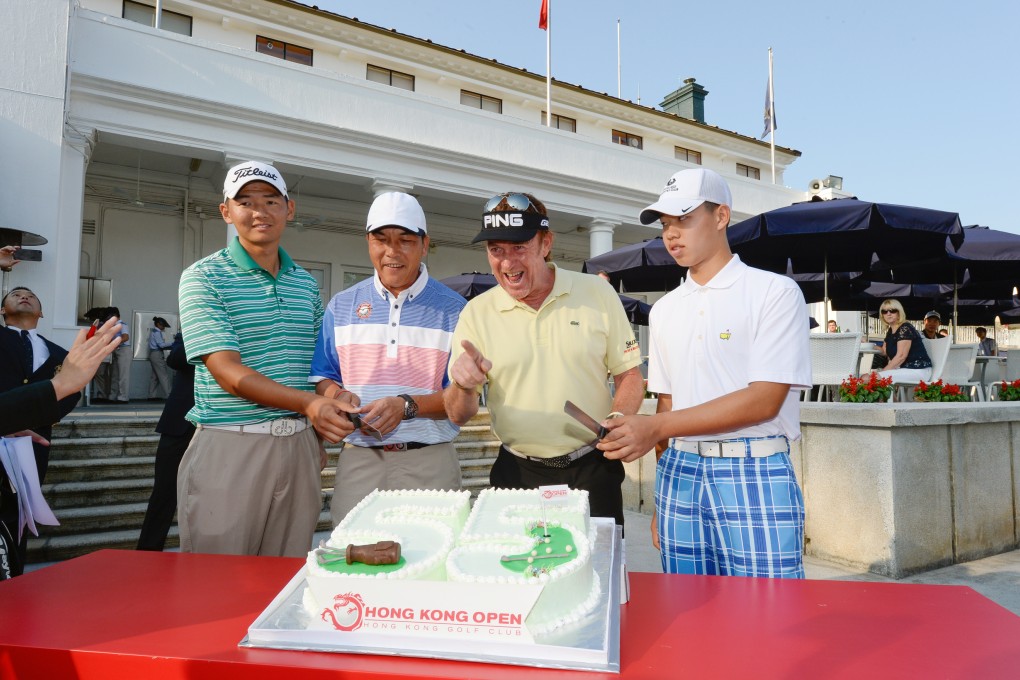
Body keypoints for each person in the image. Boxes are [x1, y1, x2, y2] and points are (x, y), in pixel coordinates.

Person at [595, 168, 812, 579]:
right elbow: (668, 399)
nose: (671, 234)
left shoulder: (773, 292)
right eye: (665, 225)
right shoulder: (664, 310)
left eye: (684, 219)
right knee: (686, 611)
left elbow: (765, 400)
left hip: (754, 466)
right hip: (681, 472)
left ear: (721, 216)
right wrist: (661, 499)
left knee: (769, 614)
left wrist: (656, 426)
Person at [177, 160, 352, 557]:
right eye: (246, 201)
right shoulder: (203, 277)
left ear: (290, 208)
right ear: (226, 211)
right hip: (231, 446)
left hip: (299, 448)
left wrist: (333, 397)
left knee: (284, 580)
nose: (260, 211)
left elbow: (316, 369)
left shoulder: (305, 284)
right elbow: (228, 373)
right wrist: (311, 404)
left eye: (271, 200)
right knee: (217, 585)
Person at [444, 191, 644, 527]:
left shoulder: (596, 293)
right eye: (496, 250)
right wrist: (464, 385)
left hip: (592, 469)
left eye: (519, 247)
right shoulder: (476, 313)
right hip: (515, 472)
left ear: (546, 243)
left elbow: (629, 375)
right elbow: (457, 414)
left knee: (596, 574)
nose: (507, 263)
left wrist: (617, 419)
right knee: (516, 574)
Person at [310, 192, 466, 524]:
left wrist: (406, 406)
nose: (391, 252)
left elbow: (460, 399)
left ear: (425, 245)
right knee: (352, 563)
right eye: (381, 239)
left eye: (405, 240)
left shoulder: (455, 310)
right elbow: (324, 376)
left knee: (431, 566)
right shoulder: (342, 305)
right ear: (368, 242)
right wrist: (338, 395)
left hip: (429, 462)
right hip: (360, 462)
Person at [0, 315, 124, 580]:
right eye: (16, 294)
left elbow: (70, 393)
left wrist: (33, 416)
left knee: (19, 515)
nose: (24, 298)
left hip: (34, 437)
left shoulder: (55, 350)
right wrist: (59, 385)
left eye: (30, 295)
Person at [136, 331, 195, 551]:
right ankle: (147, 553)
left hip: (222, 424)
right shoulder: (191, 329)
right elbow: (175, 359)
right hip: (179, 423)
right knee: (163, 494)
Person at [876, 299, 932, 382]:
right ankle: (892, 395)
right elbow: (884, 351)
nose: (888, 313)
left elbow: (901, 356)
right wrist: (866, 344)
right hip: (905, 369)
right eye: (884, 311)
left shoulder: (905, 328)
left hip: (918, 370)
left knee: (870, 378)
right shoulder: (891, 331)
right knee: (868, 377)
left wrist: (883, 372)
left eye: (892, 310)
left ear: (899, 313)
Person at [107, 306, 132, 403]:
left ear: (115, 316)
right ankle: (113, 396)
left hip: (124, 350)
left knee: (123, 375)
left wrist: (114, 342)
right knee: (115, 375)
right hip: (116, 350)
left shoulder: (122, 325)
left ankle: (123, 397)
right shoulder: (113, 327)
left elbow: (125, 337)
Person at [147, 316, 173, 399]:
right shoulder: (157, 332)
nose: (164, 327)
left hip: (153, 354)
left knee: (154, 377)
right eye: (163, 325)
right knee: (163, 375)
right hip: (157, 354)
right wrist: (173, 344)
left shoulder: (153, 331)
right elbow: (161, 345)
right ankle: (169, 395)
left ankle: (151, 396)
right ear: (158, 324)